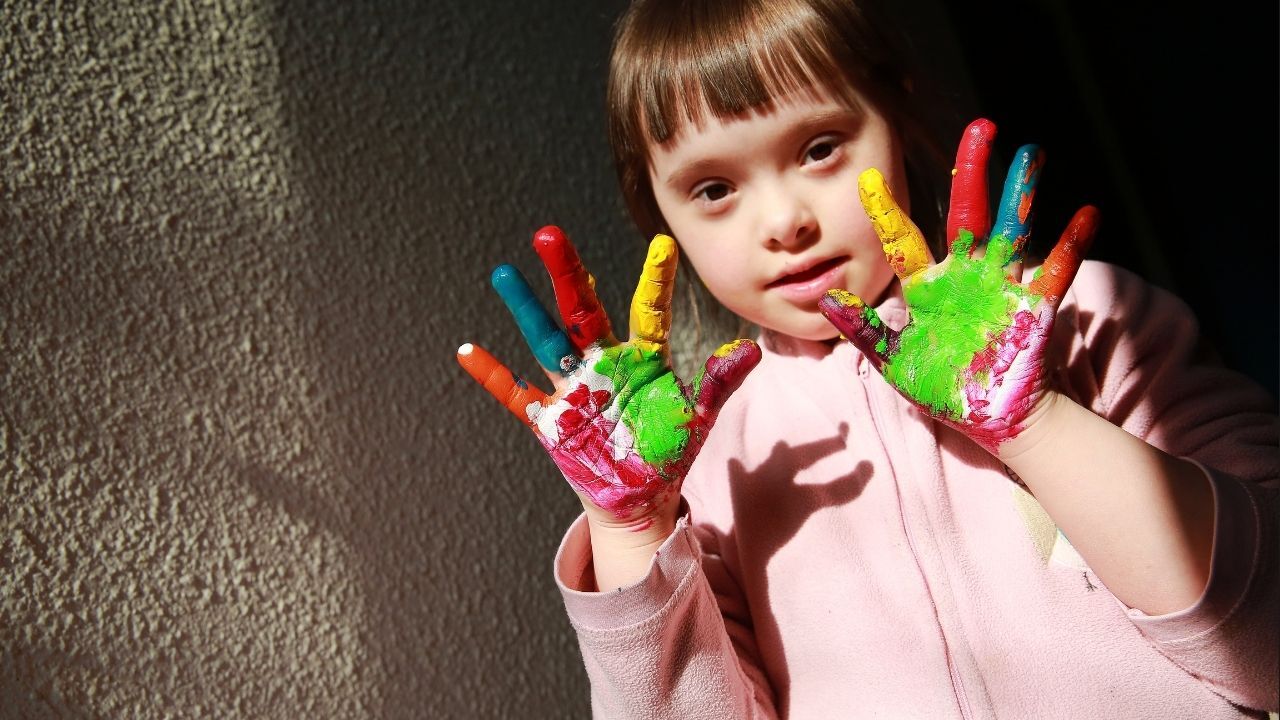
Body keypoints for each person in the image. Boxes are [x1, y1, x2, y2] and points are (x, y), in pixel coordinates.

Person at [457, 0, 1279, 716]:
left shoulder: (1091, 321)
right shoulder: (702, 458)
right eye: (713, 188)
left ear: (897, 112)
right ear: (657, 211)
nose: (783, 219)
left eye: (818, 147)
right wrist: (631, 529)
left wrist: (1035, 421)